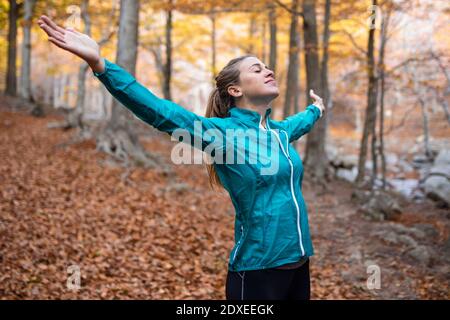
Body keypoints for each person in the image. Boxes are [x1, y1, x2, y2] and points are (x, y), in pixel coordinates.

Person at [37, 14, 325, 300]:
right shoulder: (221, 135)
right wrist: (101, 65)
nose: (268, 70)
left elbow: (303, 121)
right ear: (235, 90)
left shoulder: (279, 132)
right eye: (257, 69)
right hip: (259, 273)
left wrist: (317, 109)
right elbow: (159, 111)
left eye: (267, 66)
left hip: (300, 264)